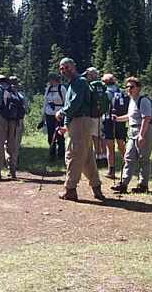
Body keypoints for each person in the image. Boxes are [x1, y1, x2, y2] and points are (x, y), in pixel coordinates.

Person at [56, 58, 105, 201]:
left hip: (80, 123)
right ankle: (97, 188)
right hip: (78, 123)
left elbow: (75, 103)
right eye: (61, 68)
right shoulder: (74, 83)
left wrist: (62, 112)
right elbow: (74, 104)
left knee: (73, 155)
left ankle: (70, 190)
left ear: (73, 67)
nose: (64, 70)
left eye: (66, 67)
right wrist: (66, 125)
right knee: (87, 158)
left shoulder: (79, 82)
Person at [111, 77, 152, 194]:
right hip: (132, 131)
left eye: (132, 87)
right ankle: (123, 184)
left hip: (144, 131)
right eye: (127, 87)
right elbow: (130, 116)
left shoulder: (144, 100)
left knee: (143, 159)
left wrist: (141, 135)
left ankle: (143, 185)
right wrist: (118, 119)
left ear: (138, 88)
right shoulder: (132, 100)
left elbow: (147, 118)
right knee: (128, 157)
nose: (129, 89)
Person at [0, 74, 23, 182]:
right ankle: (12, 172)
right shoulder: (13, 90)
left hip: (1, 118)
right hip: (14, 121)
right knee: (12, 146)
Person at [101, 74, 128, 179]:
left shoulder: (105, 92)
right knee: (121, 144)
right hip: (120, 120)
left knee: (110, 147)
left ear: (104, 82)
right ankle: (127, 166)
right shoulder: (120, 91)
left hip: (108, 120)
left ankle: (111, 170)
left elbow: (102, 107)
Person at [84, 67, 107, 162]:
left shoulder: (90, 86)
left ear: (91, 75)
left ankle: (98, 156)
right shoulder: (102, 85)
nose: (87, 76)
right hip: (101, 114)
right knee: (101, 135)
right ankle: (105, 155)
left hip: (92, 115)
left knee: (94, 136)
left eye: (88, 74)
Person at [42, 73, 66, 161]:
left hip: (59, 114)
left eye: (51, 79)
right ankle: (52, 154)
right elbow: (45, 102)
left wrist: (63, 113)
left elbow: (66, 102)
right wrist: (43, 115)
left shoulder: (62, 88)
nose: (50, 81)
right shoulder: (48, 89)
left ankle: (61, 154)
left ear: (55, 79)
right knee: (50, 134)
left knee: (59, 134)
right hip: (49, 114)